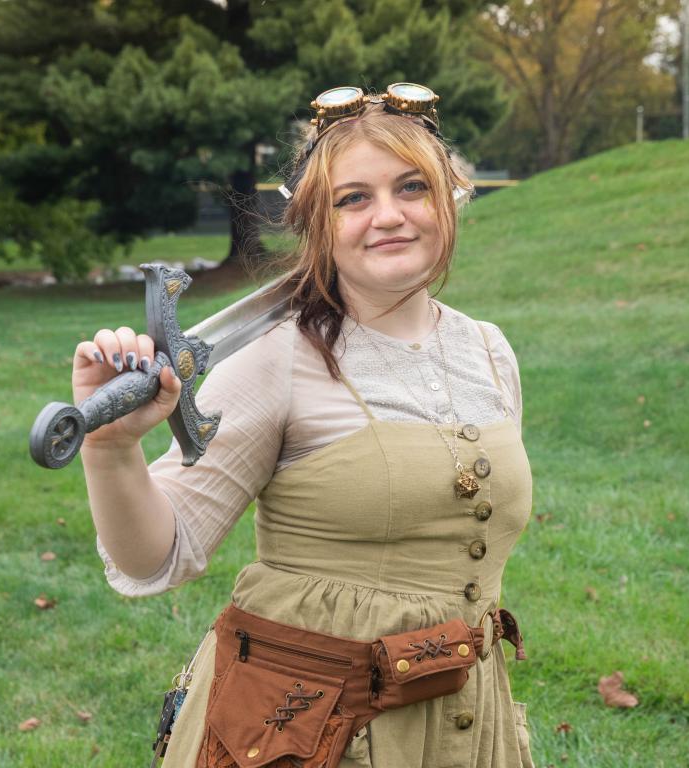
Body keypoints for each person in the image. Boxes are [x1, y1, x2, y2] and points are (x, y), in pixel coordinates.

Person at [73, 84, 535, 768]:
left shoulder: (489, 352)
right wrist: (110, 451)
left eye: (412, 187)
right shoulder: (278, 359)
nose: (388, 216)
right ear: (318, 224)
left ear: (449, 201)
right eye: (353, 199)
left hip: (461, 726)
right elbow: (156, 556)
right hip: (307, 731)